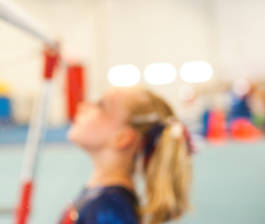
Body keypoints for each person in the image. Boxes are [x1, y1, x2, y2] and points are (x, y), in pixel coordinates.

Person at [60, 87, 193, 224]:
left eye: (100, 105)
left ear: (123, 137)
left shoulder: (109, 208)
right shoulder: (103, 200)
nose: (82, 106)